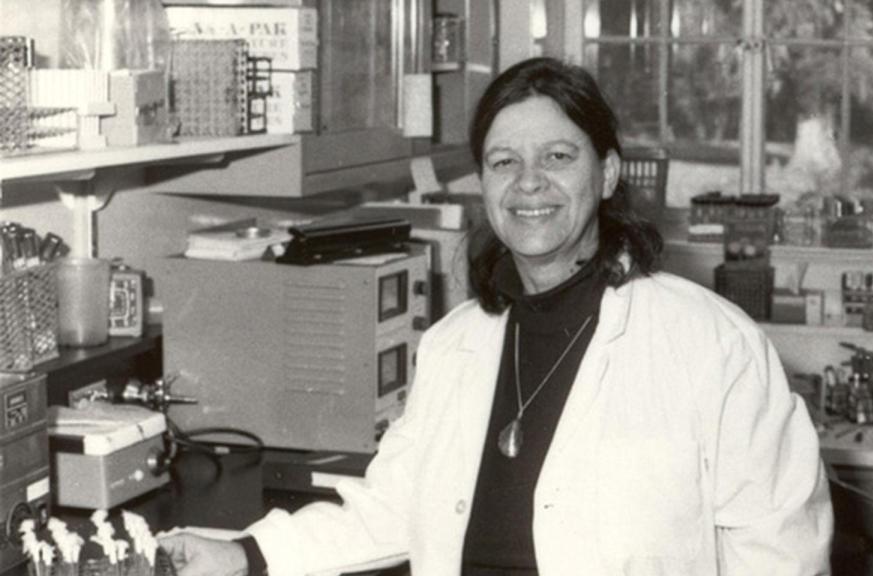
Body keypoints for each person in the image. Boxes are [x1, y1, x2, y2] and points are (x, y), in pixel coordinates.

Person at [160, 56, 833, 576]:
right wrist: (244, 556)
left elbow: (782, 556)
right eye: (504, 162)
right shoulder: (456, 344)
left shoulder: (714, 348)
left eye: (558, 158)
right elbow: (394, 505)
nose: (529, 182)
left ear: (606, 174)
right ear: (482, 183)